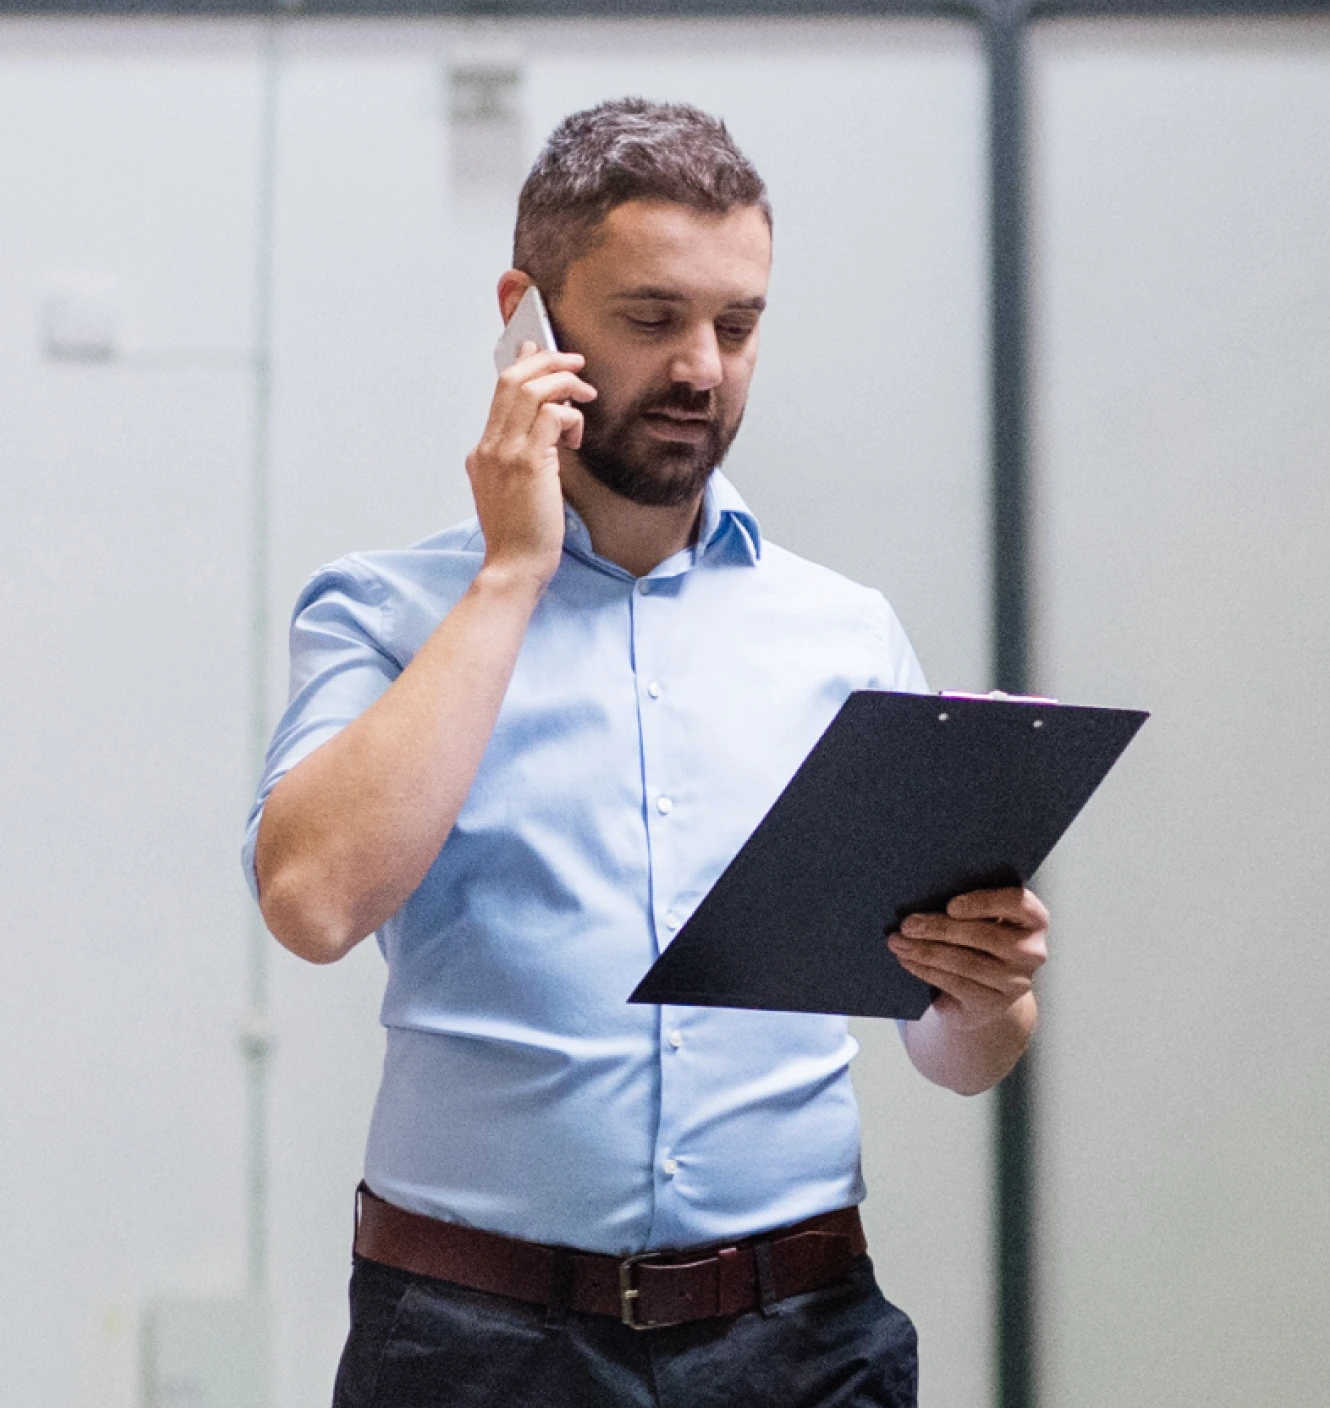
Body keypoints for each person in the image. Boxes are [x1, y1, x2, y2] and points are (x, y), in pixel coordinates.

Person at [244, 98, 1047, 1408]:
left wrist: (983, 992)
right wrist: (513, 569)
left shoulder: (839, 632)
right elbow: (314, 903)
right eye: (650, 317)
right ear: (528, 318)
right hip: (474, 1343)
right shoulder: (384, 613)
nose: (701, 369)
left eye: (737, 326)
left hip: (802, 1337)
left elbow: (959, 1055)